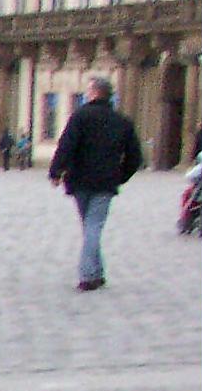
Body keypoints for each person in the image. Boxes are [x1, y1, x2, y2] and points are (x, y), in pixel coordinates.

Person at [48, 75, 144, 292]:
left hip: (80, 181)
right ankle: (97, 272)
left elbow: (66, 146)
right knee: (93, 226)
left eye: (88, 90)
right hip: (105, 183)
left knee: (91, 227)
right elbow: (135, 157)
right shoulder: (122, 121)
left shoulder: (80, 117)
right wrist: (120, 176)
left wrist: (56, 172)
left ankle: (87, 276)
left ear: (93, 93)